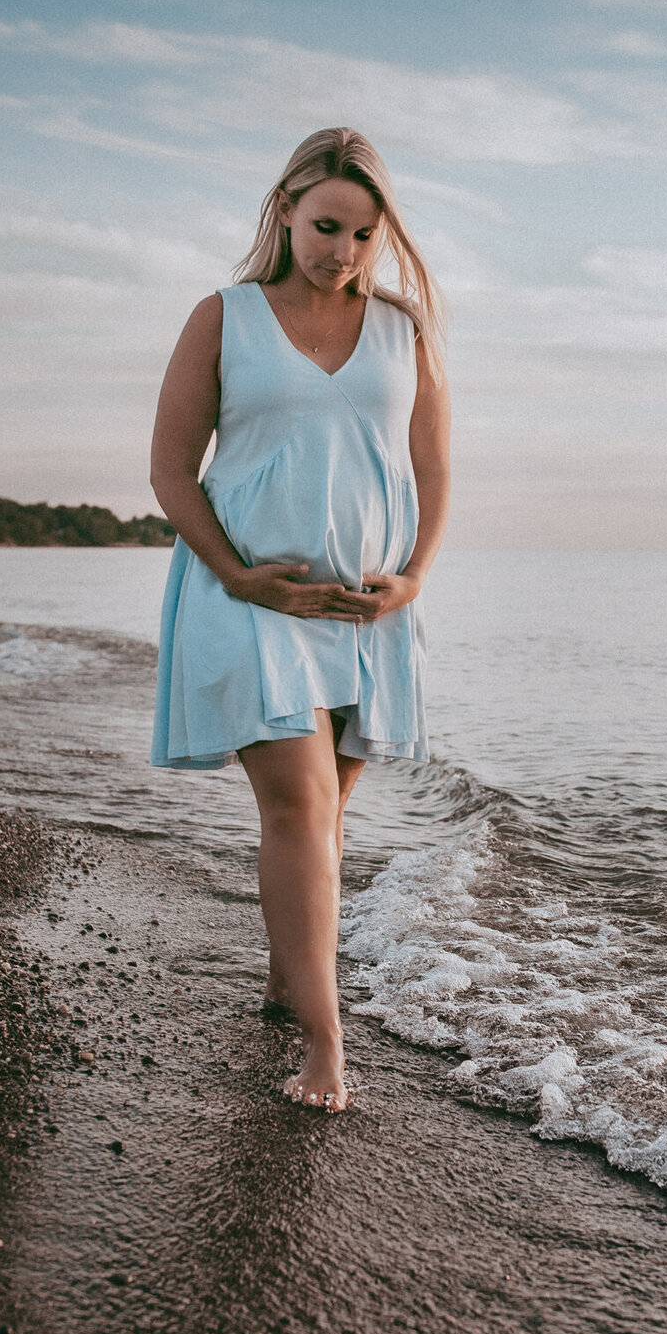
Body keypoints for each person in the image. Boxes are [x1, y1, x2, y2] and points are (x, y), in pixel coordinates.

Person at [149, 127, 451, 1113]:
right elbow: (169, 470)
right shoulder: (224, 317)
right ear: (284, 208)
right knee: (300, 808)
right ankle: (327, 1047)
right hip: (251, 600)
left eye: (365, 235)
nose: (344, 252)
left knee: (323, 818)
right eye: (327, 226)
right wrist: (240, 576)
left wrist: (411, 579)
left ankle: (288, 978)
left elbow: (435, 469)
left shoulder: (404, 329)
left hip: (364, 613)